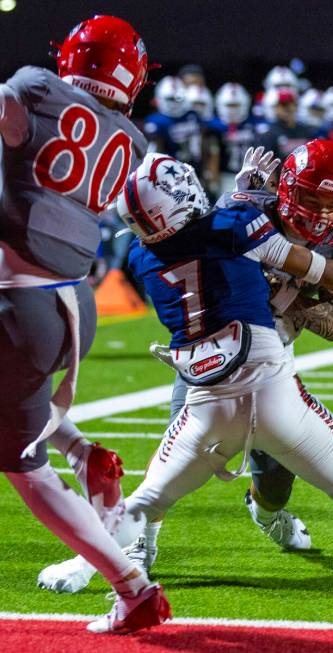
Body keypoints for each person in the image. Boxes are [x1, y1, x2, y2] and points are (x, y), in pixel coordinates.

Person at [38, 151, 333, 599]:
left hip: (208, 390)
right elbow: (312, 268)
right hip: (271, 380)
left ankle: (85, 564)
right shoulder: (238, 219)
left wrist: (241, 199)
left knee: (147, 497)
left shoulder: (142, 257)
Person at [0, 15, 171, 633]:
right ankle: (79, 449)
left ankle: (132, 587)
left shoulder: (37, 90)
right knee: (15, 411)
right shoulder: (131, 139)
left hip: (17, 301)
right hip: (73, 302)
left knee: (21, 463)